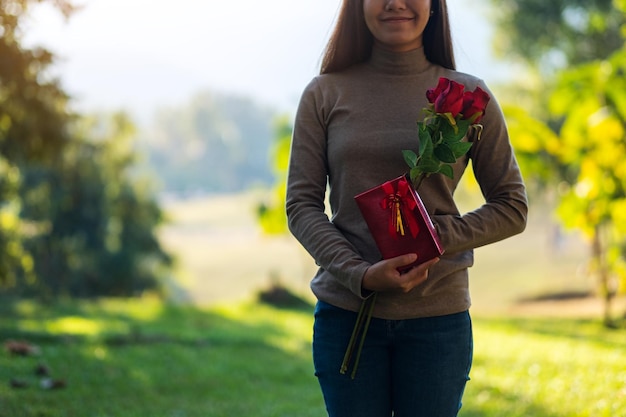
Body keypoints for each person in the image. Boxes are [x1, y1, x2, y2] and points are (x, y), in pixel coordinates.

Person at [285, 0, 528, 416]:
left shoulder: (470, 97)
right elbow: (301, 206)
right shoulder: (324, 93)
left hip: (438, 322)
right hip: (347, 315)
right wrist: (358, 274)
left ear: (434, 6)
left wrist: (432, 239)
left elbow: (512, 206)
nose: (396, 2)